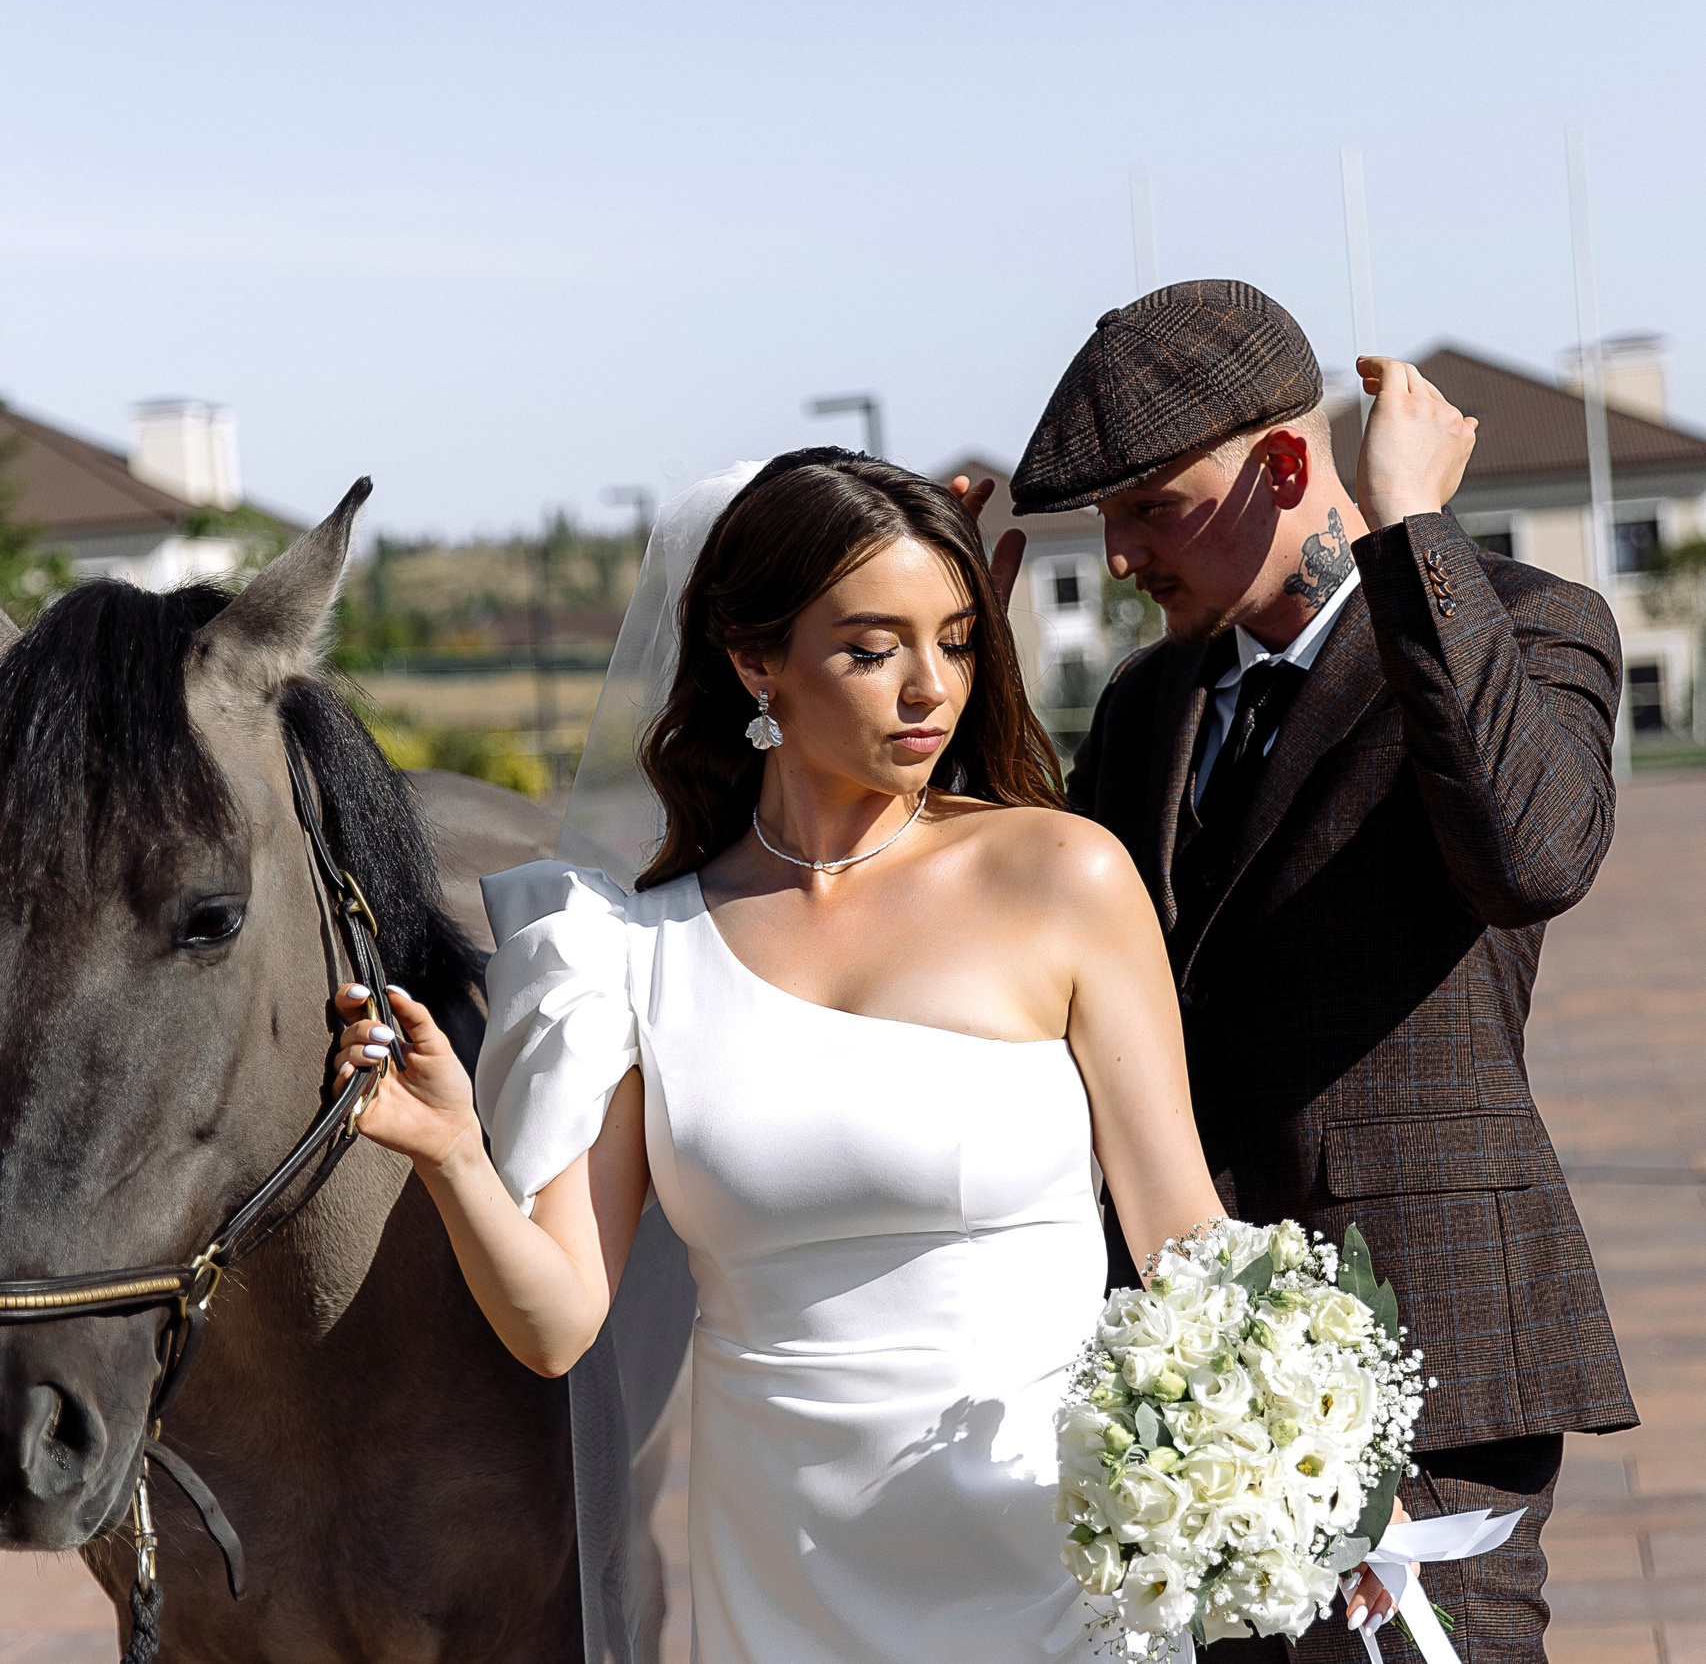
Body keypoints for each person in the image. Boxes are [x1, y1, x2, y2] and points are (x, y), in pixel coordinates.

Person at [328, 449, 1399, 1662]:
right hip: (781, 1580)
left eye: (956, 641)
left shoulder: (1060, 877)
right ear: (754, 661)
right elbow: (557, 1325)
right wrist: (452, 1154)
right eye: (872, 648)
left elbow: (1179, 1229)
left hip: (1052, 1557)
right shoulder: (630, 952)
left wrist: (1323, 1456)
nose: (929, 688)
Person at [995, 279, 1639, 1661]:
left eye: (1149, 507)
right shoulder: (1147, 701)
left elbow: (1531, 856)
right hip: (1185, 1352)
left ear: (1286, 467)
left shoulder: (1521, 621)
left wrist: (1409, 535)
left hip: (1428, 1335)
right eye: (1103, 518)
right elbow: (1039, 952)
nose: (1118, 555)